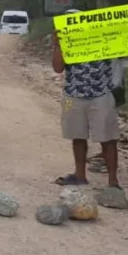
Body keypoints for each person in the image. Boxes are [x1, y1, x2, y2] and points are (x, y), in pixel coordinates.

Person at [52, 16, 120, 189]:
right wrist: (58, 45)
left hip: (101, 94)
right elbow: (57, 68)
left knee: (108, 138)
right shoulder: (67, 43)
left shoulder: (103, 40)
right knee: (78, 136)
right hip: (73, 95)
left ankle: (113, 181)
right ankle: (80, 175)